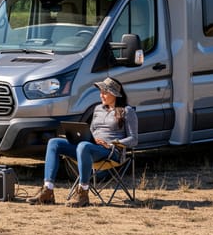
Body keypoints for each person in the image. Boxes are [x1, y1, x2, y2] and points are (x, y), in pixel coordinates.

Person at [27, 77, 138, 207]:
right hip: (89, 147)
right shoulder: (98, 109)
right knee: (54, 143)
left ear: (114, 94)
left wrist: (112, 143)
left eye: (105, 92)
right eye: (101, 92)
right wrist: (86, 137)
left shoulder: (127, 111)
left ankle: (83, 193)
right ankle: (48, 191)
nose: (101, 95)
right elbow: (90, 132)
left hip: (110, 152)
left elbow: (134, 139)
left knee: (84, 146)